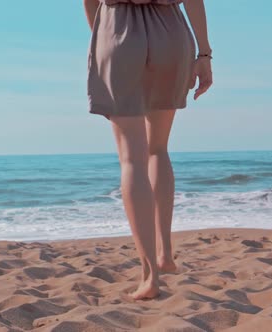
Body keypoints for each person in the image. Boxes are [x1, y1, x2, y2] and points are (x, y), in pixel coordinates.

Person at [83, 0, 213, 300]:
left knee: (132, 160)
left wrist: (102, 37)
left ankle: (149, 274)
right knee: (158, 150)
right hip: (171, 34)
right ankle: (166, 253)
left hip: (118, 29)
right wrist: (204, 54)